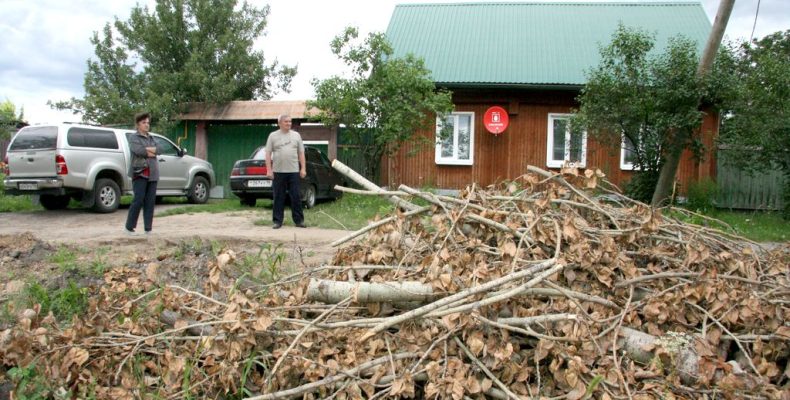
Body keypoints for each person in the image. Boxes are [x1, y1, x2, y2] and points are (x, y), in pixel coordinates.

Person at [265, 114, 307, 229]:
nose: (289, 123)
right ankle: (277, 221)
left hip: (293, 171)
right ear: (279, 123)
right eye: (286, 121)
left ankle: (299, 221)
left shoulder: (296, 135)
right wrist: (269, 170)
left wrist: (303, 168)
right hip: (278, 171)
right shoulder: (273, 136)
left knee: (296, 196)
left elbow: (301, 153)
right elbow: (268, 153)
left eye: (290, 121)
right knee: (278, 197)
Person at [125, 112, 160, 235]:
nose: (147, 125)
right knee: (138, 200)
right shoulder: (134, 138)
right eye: (144, 123)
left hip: (153, 173)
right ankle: (129, 228)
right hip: (139, 172)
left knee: (150, 202)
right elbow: (139, 151)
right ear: (138, 124)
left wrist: (149, 151)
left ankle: (148, 229)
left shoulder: (152, 138)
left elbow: (159, 149)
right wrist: (150, 151)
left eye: (148, 123)